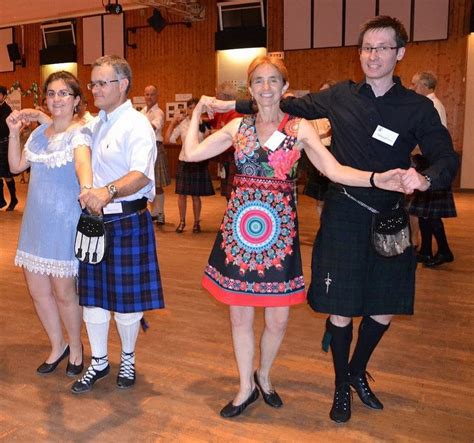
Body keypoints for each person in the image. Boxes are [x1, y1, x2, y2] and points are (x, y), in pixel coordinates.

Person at [212, 16, 458, 423]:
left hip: (390, 218)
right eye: (366, 47)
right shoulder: (341, 95)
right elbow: (282, 102)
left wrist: (426, 176)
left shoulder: (418, 107)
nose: (373, 55)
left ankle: (358, 371)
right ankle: (341, 384)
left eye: (382, 48)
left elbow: (445, 155)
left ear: (399, 53)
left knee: (384, 308)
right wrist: (231, 104)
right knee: (340, 308)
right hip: (344, 213)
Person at [183, 55, 407, 419]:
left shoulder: (299, 128)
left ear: (285, 88)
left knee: (278, 320)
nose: (266, 87)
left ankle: (265, 376)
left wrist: (375, 178)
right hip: (239, 233)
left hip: (278, 236)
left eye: (274, 80)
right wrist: (196, 115)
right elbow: (192, 154)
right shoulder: (238, 127)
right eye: (259, 81)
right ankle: (244, 387)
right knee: (239, 318)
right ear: (251, 88)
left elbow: (333, 170)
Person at [71, 55, 165, 394]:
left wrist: (106, 191)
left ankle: (127, 357)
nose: (94, 89)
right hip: (95, 221)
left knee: (127, 302)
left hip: (127, 219)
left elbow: (141, 176)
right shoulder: (97, 122)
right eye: (92, 83)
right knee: (92, 298)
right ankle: (99, 361)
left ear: (122, 85)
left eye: (101, 83)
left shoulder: (136, 124)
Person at [6, 71, 92, 377]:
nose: (57, 99)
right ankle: (57, 345)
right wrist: (15, 132)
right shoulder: (38, 136)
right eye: (52, 93)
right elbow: (16, 167)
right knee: (38, 291)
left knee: (64, 293)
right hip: (35, 224)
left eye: (64, 93)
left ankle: (77, 348)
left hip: (64, 224)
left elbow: (83, 162)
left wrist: (87, 186)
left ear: (77, 100)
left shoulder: (80, 132)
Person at [408, 71, 457, 267]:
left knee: (430, 214)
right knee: (424, 214)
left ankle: (444, 251)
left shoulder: (432, 106)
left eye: (414, 84)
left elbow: (435, 141)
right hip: (427, 164)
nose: (412, 88)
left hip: (432, 166)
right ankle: (426, 250)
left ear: (425, 86)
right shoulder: (428, 105)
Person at [165, 98, 214, 233]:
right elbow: (168, 139)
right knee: (182, 195)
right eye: (190, 107)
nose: (192, 110)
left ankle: (196, 223)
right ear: (187, 109)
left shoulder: (204, 124)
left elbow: (211, 141)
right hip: (184, 161)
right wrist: (173, 123)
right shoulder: (183, 124)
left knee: (195, 196)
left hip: (198, 162)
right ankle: (182, 222)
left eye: (194, 107)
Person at [302, 80, 337, 216]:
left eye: (326, 92)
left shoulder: (336, 113)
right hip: (316, 153)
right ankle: (322, 225)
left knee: (333, 198)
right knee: (319, 198)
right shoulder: (312, 113)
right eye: (321, 92)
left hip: (333, 153)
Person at [208, 82, 242, 200]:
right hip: (225, 157)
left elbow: (229, 135)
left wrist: (215, 132)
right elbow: (210, 120)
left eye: (218, 95)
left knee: (232, 191)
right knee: (227, 191)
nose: (216, 98)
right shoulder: (221, 112)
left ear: (225, 96)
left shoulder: (236, 113)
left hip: (234, 157)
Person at [141, 85, 170, 225]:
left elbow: (153, 127)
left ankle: (160, 213)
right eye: (146, 94)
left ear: (156, 96)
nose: (149, 97)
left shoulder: (158, 112)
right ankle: (153, 212)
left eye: (152, 94)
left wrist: (138, 127)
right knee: (148, 182)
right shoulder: (142, 112)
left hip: (156, 148)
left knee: (157, 184)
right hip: (144, 149)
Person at [0, 85, 18, 211]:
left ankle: (14, 199)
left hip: (5, 145)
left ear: (4, 96)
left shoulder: (7, 110)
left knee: (7, 174)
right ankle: (1, 201)